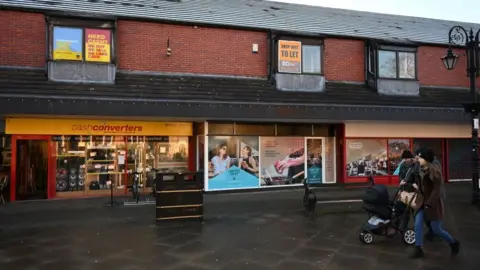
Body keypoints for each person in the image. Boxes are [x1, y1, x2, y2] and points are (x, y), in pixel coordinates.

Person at [409, 148, 460, 259]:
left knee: (436, 229)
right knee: (417, 224)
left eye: (421, 157)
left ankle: (453, 243)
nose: (418, 159)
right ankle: (418, 249)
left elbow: (436, 191)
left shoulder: (435, 172)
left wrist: (429, 203)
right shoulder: (420, 168)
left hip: (434, 204)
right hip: (422, 201)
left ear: (427, 159)